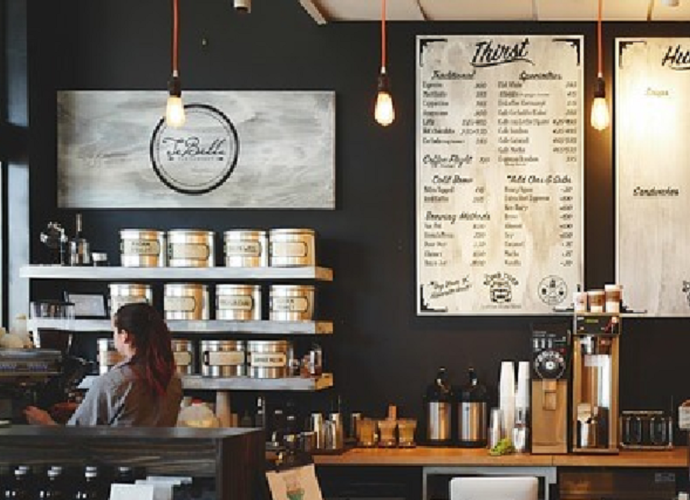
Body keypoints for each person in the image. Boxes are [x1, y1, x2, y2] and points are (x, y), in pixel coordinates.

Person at [24, 303, 183, 426]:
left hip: (116, 460)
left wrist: (45, 422)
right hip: (157, 459)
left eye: (114, 331)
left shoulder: (113, 383)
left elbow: (75, 439)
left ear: (125, 336)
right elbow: (137, 414)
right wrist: (83, 408)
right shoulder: (173, 380)